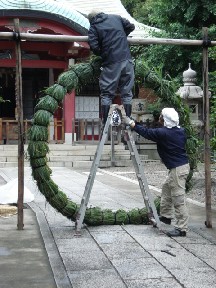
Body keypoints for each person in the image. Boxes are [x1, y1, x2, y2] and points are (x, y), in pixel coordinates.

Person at [123, 107, 189, 237]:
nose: (159, 118)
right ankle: (166, 216)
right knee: (166, 189)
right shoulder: (180, 131)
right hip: (179, 167)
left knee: (178, 198)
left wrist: (132, 124)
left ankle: (182, 228)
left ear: (165, 120)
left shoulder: (164, 133)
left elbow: (147, 133)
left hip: (177, 168)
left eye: (161, 117)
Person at [88, 10, 135, 124]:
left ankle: (105, 121)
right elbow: (131, 26)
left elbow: (93, 46)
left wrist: (104, 52)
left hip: (111, 62)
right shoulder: (116, 17)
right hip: (127, 59)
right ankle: (128, 118)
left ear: (91, 19)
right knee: (127, 92)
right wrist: (122, 37)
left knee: (107, 93)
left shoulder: (94, 27)